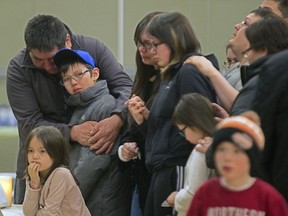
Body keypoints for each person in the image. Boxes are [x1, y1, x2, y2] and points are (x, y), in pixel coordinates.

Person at [6, 14, 133, 204]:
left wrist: (117, 118)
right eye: (38, 60)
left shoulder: (93, 49)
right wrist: (72, 132)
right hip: (40, 164)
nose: (48, 66)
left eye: (51, 59)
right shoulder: (18, 70)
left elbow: (125, 87)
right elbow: (30, 124)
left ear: (67, 41)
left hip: (94, 172)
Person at [126, 12, 218, 216]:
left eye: (154, 44)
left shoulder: (188, 72)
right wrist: (143, 120)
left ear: (174, 41)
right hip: (161, 168)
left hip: (178, 167)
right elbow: (166, 129)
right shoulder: (167, 76)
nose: (150, 51)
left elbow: (199, 125)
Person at [53, 49, 130, 215]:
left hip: (102, 204)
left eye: (79, 74)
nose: (73, 82)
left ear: (95, 74)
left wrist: (66, 198)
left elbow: (93, 165)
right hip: (86, 202)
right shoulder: (79, 107)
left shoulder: (105, 106)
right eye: (66, 79)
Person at [187, 111, 288, 216]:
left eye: (237, 151)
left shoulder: (268, 197)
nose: (227, 157)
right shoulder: (205, 192)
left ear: (251, 157)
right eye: (221, 149)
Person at [183, 8, 275, 113]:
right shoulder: (239, 67)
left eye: (245, 23)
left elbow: (246, 109)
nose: (237, 26)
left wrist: (211, 72)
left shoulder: (260, 70)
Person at [118, 11, 163, 216]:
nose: (142, 49)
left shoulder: (181, 78)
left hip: (162, 178)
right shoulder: (144, 79)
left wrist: (145, 119)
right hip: (140, 177)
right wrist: (125, 149)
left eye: (148, 43)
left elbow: (168, 136)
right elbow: (131, 130)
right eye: (138, 43)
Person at [164, 93, 217, 216]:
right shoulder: (219, 146)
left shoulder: (201, 151)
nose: (184, 136)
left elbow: (193, 195)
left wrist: (176, 198)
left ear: (194, 123)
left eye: (183, 130)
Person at [22, 126, 91, 216]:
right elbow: (28, 213)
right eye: (30, 151)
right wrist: (34, 184)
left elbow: (49, 214)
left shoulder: (61, 174)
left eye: (42, 151)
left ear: (55, 153)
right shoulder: (34, 174)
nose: (35, 156)